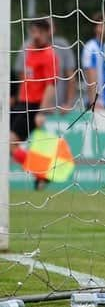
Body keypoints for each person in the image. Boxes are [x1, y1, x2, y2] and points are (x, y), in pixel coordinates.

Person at [9, 19, 58, 189]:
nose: (35, 35)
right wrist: (15, 96)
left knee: (10, 143)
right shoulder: (29, 50)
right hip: (21, 103)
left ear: (47, 33)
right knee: (8, 144)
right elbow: (25, 78)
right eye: (33, 31)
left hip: (33, 106)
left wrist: (42, 112)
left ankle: (42, 172)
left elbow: (51, 85)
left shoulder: (49, 55)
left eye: (39, 32)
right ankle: (42, 173)